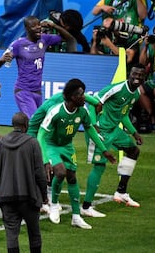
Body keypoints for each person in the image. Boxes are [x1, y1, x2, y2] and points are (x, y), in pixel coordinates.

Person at [37, 79, 116, 229]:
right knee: (60, 172)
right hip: (51, 145)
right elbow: (41, 135)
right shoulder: (56, 111)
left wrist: (104, 150)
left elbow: (90, 129)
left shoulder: (83, 111)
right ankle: (53, 204)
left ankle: (76, 216)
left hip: (67, 147)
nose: (84, 97)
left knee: (72, 177)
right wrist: (45, 159)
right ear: (72, 97)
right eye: (81, 94)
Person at [82, 65, 146, 216]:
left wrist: (134, 132)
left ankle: (121, 192)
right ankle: (86, 207)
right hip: (100, 129)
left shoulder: (136, 94)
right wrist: (93, 125)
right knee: (99, 165)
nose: (137, 77)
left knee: (133, 150)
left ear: (144, 77)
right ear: (129, 74)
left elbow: (122, 114)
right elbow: (94, 102)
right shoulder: (117, 89)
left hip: (114, 130)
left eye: (140, 75)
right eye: (134, 74)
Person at [0, 16, 76, 118]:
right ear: (27, 29)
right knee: (33, 121)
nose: (38, 27)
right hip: (23, 91)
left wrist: (54, 25)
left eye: (39, 24)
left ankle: (21, 134)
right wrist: (2, 60)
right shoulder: (18, 44)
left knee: (38, 123)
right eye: (34, 26)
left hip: (37, 92)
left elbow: (69, 39)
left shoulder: (44, 39)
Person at [0, 112, 47, 253]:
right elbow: (40, 172)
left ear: (13, 125)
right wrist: (44, 195)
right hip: (29, 197)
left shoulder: (1, 143)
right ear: (26, 125)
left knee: (11, 235)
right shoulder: (33, 143)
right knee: (34, 233)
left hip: (6, 197)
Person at [138, 23, 155, 131]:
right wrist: (146, 46)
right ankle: (152, 119)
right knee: (138, 89)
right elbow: (141, 63)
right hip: (154, 80)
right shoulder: (153, 47)